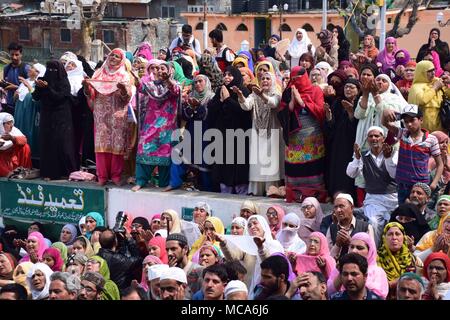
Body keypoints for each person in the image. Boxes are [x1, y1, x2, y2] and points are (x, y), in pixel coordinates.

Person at [83, 49, 132, 186]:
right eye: (112, 55)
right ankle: (102, 176)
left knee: (116, 145)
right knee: (102, 145)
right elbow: (91, 93)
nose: (114, 58)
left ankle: (116, 176)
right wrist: (86, 87)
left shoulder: (124, 76)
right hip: (101, 114)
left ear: (121, 60)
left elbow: (127, 97)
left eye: (117, 56)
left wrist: (122, 89)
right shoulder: (98, 73)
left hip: (117, 114)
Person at [277, 66, 327, 202]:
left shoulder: (315, 90)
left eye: (298, 79)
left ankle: (315, 195)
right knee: (295, 166)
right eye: (293, 79)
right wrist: (292, 104)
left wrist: (303, 103)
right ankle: (295, 194)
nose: (295, 82)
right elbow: (281, 113)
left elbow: (321, 112)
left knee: (313, 167)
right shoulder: (288, 92)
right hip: (294, 137)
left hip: (313, 135)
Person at [382, 104, 443, 204]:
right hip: (402, 183)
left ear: (421, 120)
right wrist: (385, 112)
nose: (409, 124)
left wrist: (434, 183)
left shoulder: (431, 139)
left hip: (420, 185)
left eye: (412, 120)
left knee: (417, 213)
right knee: (404, 213)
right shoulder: (402, 133)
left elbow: (440, 164)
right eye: (406, 121)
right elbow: (385, 123)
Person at [346, 126, 398, 243]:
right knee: (373, 223)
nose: (374, 139)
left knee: (394, 225)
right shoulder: (363, 156)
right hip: (373, 199)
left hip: (393, 198)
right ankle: (374, 253)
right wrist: (357, 158)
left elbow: (394, 174)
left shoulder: (393, 153)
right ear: (367, 139)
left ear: (383, 138)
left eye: (377, 136)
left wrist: (388, 158)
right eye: (371, 136)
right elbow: (351, 173)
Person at [234, 71, 283, 196]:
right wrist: (240, 95)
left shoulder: (276, 93)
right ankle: (255, 191)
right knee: (257, 163)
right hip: (257, 133)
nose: (265, 80)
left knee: (270, 164)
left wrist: (262, 96)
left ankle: (271, 191)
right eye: (262, 79)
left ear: (272, 81)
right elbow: (246, 106)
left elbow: (273, 103)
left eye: (268, 78)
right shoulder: (254, 94)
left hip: (272, 133)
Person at [208, 66, 252, 194]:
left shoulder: (243, 91)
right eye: (225, 74)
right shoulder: (220, 90)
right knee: (224, 167)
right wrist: (221, 101)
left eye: (230, 75)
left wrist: (228, 100)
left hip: (240, 136)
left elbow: (243, 111)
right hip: (223, 136)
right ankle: (225, 192)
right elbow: (211, 108)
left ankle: (241, 193)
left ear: (236, 77)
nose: (226, 77)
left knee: (239, 167)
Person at [31, 60, 77, 180]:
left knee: (62, 144)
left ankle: (66, 172)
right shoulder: (43, 79)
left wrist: (47, 88)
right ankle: (49, 173)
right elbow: (35, 96)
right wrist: (39, 87)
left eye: (54, 70)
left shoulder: (63, 82)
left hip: (62, 117)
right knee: (48, 144)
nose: (51, 72)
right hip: (47, 117)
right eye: (49, 69)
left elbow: (59, 97)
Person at [218, 215, 284, 295]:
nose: (252, 227)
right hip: (248, 287)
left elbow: (270, 265)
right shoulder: (247, 246)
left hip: (266, 289)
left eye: (255, 223)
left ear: (263, 226)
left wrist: (260, 247)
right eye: (249, 225)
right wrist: (223, 243)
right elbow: (232, 258)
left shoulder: (274, 245)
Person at [325, 78, 361, 199]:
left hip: (352, 143)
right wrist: (329, 117)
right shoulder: (338, 102)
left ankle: (350, 197)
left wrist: (351, 112)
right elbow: (332, 126)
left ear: (358, 90)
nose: (348, 89)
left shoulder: (359, 103)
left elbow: (357, 126)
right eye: (346, 87)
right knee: (338, 169)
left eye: (351, 87)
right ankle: (336, 194)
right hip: (338, 143)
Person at [327, 232, 389, 299]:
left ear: (370, 251)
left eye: (359, 248)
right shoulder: (340, 268)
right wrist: (341, 272)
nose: (354, 251)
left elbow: (380, 295)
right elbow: (329, 292)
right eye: (351, 247)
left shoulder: (377, 272)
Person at [377, 222, 420, 299]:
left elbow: (420, 283)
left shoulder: (413, 259)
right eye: (390, 234)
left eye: (397, 234)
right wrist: (402, 278)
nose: (394, 237)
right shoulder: (376, 258)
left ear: (404, 237)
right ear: (384, 237)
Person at [326, 193, 374, 260]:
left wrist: (350, 242)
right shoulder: (331, 228)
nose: (338, 210)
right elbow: (328, 258)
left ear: (351, 208)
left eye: (341, 206)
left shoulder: (365, 227)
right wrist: (337, 244)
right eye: (336, 207)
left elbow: (371, 253)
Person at [408, 60, 450, 133]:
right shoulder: (416, 87)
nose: (433, 73)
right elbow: (422, 100)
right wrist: (435, 88)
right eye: (429, 71)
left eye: (433, 70)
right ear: (422, 72)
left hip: (441, 129)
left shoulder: (437, 82)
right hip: (424, 131)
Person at [165, 233, 203, 298]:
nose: (169, 253)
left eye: (173, 249)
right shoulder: (167, 271)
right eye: (167, 250)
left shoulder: (199, 271)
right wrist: (171, 273)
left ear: (185, 249)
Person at [2, 42, 30, 115]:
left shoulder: (26, 68)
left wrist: (16, 87)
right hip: (9, 104)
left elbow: (31, 88)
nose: (14, 57)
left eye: (17, 55)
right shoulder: (6, 68)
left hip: (22, 105)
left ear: (21, 55)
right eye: (12, 54)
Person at [0, 112, 32, 177]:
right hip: (2, 160)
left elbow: (24, 140)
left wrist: (12, 138)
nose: (11, 126)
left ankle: (24, 170)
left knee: (26, 147)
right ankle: (7, 173)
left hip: (13, 157)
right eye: (8, 123)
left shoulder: (14, 130)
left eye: (12, 123)